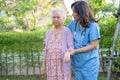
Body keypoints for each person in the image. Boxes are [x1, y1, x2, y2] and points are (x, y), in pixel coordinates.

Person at [64, 1, 101, 80]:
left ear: (81, 12)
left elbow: (93, 45)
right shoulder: (72, 24)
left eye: (74, 12)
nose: (72, 14)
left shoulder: (93, 26)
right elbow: (64, 35)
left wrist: (75, 51)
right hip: (77, 63)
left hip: (89, 64)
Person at [41, 7, 73, 80]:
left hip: (62, 63)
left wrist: (68, 53)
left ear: (63, 18)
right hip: (50, 64)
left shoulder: (66, 31)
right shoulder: (48, 32)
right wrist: (44, 63)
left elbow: (71, 47)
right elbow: (45, 49)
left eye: (58, 17)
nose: (55, 19)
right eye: (53, 17)